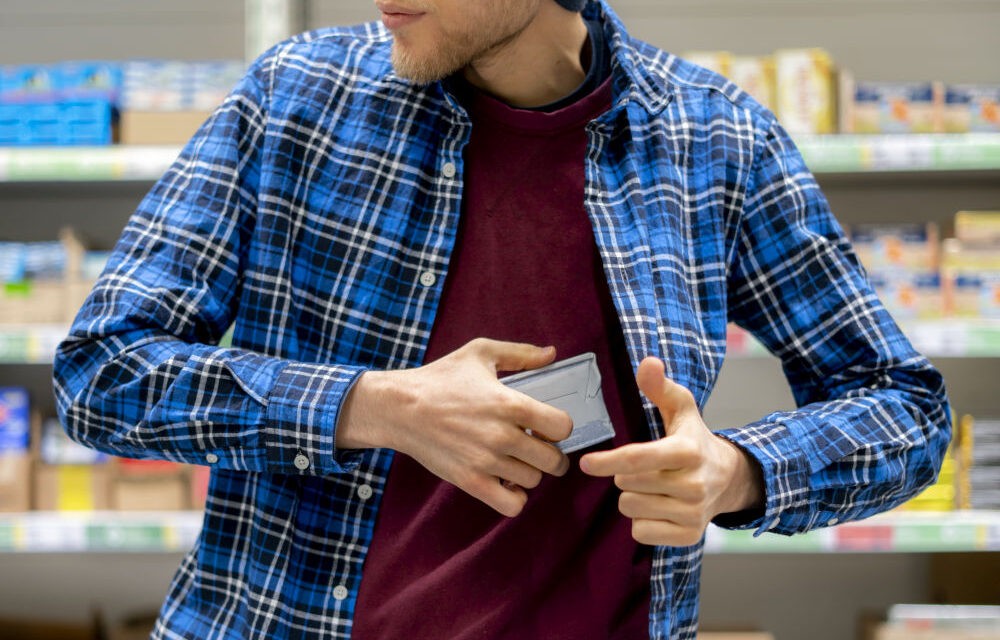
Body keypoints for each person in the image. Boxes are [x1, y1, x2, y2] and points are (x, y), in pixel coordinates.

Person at [53, 0, 951, 638]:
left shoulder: (717, 142)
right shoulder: (299, 101)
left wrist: (737, 471)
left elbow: (906, 409)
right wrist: (377, 406)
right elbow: (102, 373)